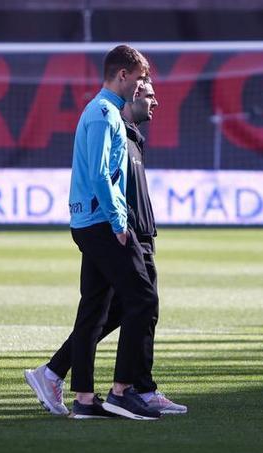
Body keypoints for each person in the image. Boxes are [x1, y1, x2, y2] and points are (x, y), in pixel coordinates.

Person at [24, 79, 187, 418]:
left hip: (131, 229)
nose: (156, 102)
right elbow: (103, 178)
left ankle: (72, 384)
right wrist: (119, 222)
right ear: (133, 90)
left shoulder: (126, 131)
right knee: (140, 302)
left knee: (103, 309)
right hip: (117, 228)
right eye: (150, 94)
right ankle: (128, 389)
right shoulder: (108, 121)